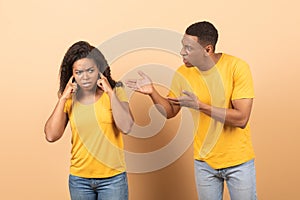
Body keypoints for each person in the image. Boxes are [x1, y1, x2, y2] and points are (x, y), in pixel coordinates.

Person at [126, 21, 257, 200]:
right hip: (204, 164)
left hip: (238, 162)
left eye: (188, 47)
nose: (182, 52)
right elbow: (170, 111)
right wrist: (152, 92)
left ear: (207, 50)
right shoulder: (183, 73)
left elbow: (241, 119)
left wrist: (200, 106)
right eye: (182, 46)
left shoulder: (237, 67)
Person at [44, 41, 134, 200]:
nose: (85, 77)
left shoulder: (116, 91)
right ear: (72, 74)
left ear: (99, 69)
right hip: (79, 180)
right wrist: (64, 97)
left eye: (90, 71)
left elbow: (126, 126)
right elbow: (51, 135)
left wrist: (110, 92)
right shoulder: (69, 98)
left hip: (113, 179)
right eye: (79, 72)